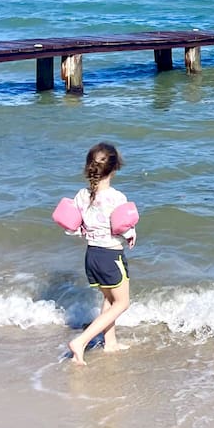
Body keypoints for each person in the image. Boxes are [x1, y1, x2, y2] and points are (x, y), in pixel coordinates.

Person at [65, 142, 137, 364]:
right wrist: (131, 235)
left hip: (92, 255)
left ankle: (110, 343)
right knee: (122, 303)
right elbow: (123, 226)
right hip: (110, 256)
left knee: (109, 299)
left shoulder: (81, 195)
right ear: (115, 168)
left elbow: (73, 227)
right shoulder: (117, 197)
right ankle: (82, 341)